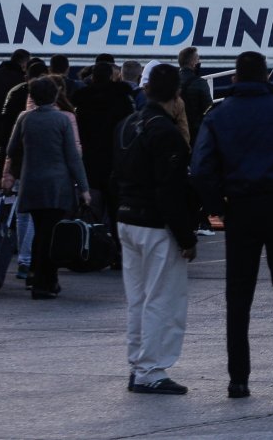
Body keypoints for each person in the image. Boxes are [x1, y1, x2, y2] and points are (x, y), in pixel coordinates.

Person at [190, 51, 273, 400]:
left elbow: (201, 167)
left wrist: (218, 205)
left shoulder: (218, 115)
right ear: (267, 77)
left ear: (235, 78)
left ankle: (239, 379)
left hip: (240, 211)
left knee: (238, 297)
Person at [112, 64, 199, 396]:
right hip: (156, 226)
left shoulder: (125, 125)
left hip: (126, 219)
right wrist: (186, 236)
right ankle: (152, 369)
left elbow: (113, 176)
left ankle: (138, 363)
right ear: (177, 96)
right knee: (163, 299)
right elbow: (171, 190)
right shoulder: (167, 133)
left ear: (146, 89)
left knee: (138, 299)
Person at [6, 75, 88, 300]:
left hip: (31, 182)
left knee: (39, 230)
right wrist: (84, 188)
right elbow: (73, 157)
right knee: (49, 235)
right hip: (56, 184)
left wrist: (13, 174)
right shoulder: (62, 120)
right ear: (55, 95)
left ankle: (39, 276)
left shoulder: (25, 119)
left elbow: (12, 150)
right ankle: (45, 282)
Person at [75, 61, 136, 229]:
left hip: (91, 159)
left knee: (92, 206)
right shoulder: (122, 97)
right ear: (111, 76)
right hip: (116, 160)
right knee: (115, 207)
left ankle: (91, 243)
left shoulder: (82, 99)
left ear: (93, 76)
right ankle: (116, 246)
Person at [177, 47, 214, 138]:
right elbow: (208, 108)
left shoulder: (172, 82)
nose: (199, 62)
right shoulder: (200, 83)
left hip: (176, 132)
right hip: (195, 132)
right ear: (193, 63)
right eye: (198, 60)